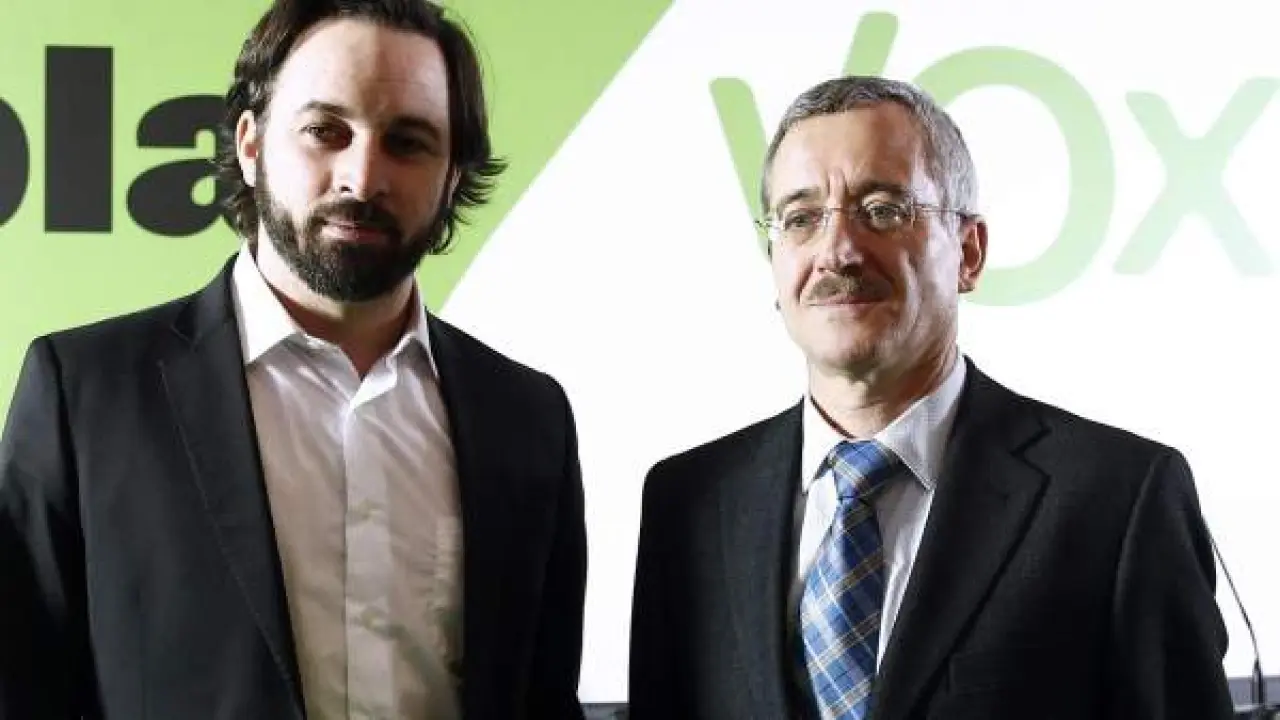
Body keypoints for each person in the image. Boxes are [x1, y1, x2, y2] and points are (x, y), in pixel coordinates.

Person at [0, 1, 586, 718]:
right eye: (324, 131)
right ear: (250, 145)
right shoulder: (87, 395)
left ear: (453, 176)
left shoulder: (528, 419)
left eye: (408, 142)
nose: (362, 177)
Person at [628, 75, 1233, 719]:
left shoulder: (1119, 496)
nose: (838, 251)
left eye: (882, 209)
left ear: (968, 252)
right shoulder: (690, 502)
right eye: (801, 219)